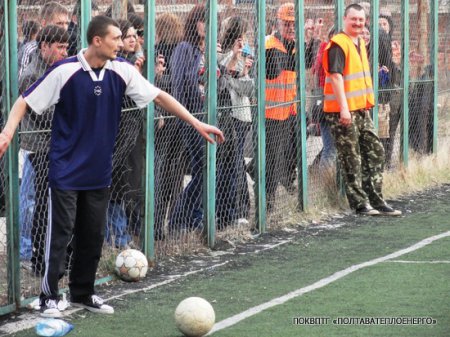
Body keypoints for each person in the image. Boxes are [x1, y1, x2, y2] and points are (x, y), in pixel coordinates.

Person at [0, 15, 224, 318]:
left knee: (92, 235)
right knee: (61, 234)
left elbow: (159, 96)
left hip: (99, 171)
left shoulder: (122, 71)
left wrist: (196, 122)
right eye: (116, 37)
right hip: (65, 170)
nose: (123, 42)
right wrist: (7, 132)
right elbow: (23, 101)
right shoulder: (64, 71)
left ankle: (83, 292)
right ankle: (48, 296)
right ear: (97, 41)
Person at [322, 4, 401, 216]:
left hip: (361, 110)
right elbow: (336, 78)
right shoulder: (339, 43)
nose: (358, 23)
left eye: (361, 20)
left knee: (376, 151)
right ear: (345, 19)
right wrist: (345, 110)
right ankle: (359, 204)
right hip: (343, 112)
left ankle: (376, 200)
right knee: (352, 158)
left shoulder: (358, 42)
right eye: (353, 19)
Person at [18, 25, 69, 276]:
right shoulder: (32, 74)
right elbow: (43, 114)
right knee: (42, 203)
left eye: (66, 47)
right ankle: (39, 257)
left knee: (61, 202)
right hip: (40, 147)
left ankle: (60, 256)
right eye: (59, 47)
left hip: (60, 145)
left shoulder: (61, 69)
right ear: (44, 47)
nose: (63, 52)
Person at [217, 16, 255, 226]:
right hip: (230, 116)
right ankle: (233, 211)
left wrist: (244, 73)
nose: (243, 40)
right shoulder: (223, 56)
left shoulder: (245, 55)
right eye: (240, 36)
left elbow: (248, 89)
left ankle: (239, 209)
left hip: (243, 116)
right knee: (232, 166)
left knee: (236, 164)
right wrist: (236, 72)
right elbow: (225, 80)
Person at [153, 12, 186, 240]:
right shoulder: (182, 51)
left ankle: (156, 226)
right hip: (179, 113)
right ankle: (173, 221)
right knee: (175, 171)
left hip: (165, 116)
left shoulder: (159, 51)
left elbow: (159, 82)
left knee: (161, 167)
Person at [18, 2, 70, 78]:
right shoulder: (30, 50)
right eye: (59, 23)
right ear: (44, 23)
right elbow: (20, 82)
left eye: (66, 23)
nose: (64, 28)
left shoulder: (66, 45)